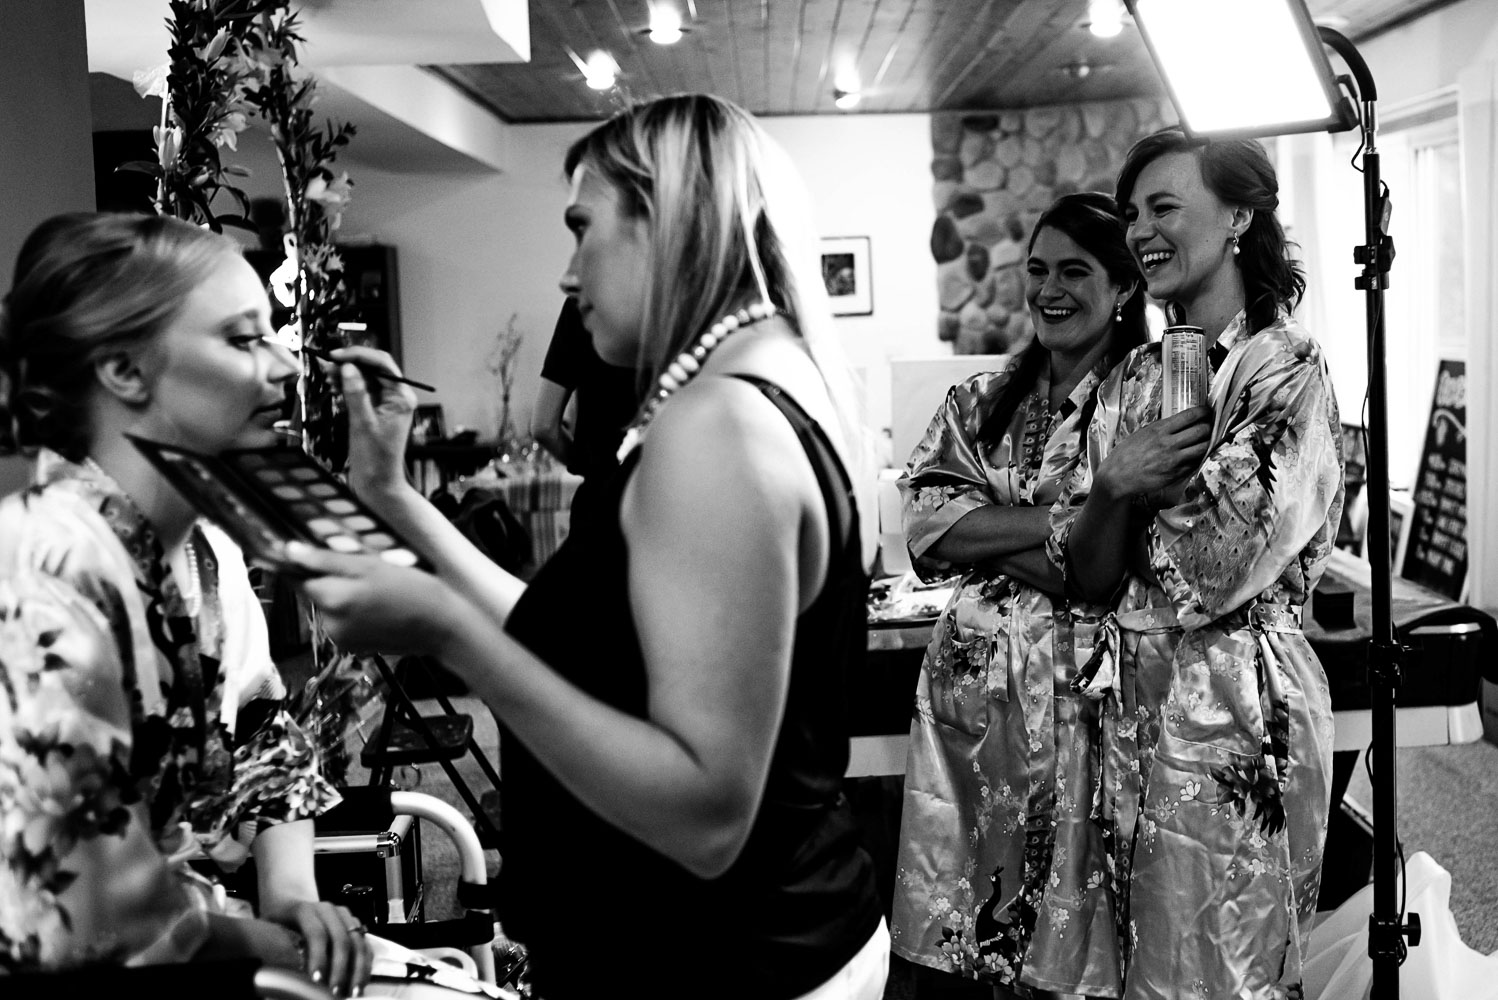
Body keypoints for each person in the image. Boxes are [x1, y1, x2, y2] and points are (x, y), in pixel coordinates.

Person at [284, 93, 888, 999]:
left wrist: (449, 634)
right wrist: (393, 498)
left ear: (671, 221)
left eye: (582, 229)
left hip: (728, 959)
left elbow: (706, 811)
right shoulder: (752, 387)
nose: (567, 276)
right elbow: (567, 634)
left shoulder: (716, 427)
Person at [0, 211, 371, 993]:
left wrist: (294, 899)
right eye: (242, 340)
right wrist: (264, 946)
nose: (285, 368)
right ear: (125, 372)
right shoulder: (46, 574)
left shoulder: (200, 548)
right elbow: (76, 920)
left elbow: (264, 735)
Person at [1049, 126, 1345, 998]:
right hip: (1127, 706)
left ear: (1238, 217)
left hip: (1236, 707)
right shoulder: (1135, 373)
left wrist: (1131, 494)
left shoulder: (1285, 368)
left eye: (1166, 207)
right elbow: (1088, 573)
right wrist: (1112, 489)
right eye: (1134, 212)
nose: (1141, 231)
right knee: (1135, 966)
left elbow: (1219, 562)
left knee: (1226, 968)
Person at [888, 193, 1149, 998]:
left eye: (1076, 271)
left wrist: (995, 525)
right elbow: (928, 522)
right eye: (1038, 270)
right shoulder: (981, 399)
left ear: (1125, 289)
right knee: (959, 933)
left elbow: (1114, 566)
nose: (1049, 289)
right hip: (966, 710)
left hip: (1078, 706)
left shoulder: (1139, 403)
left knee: (1065, 940)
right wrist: (1067, 523)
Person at [529, 295, 637, 516]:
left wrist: (590, 466)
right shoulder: (692, 303)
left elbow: (543, 426)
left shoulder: (582, 305)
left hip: (601, 506)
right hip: (673, 505)